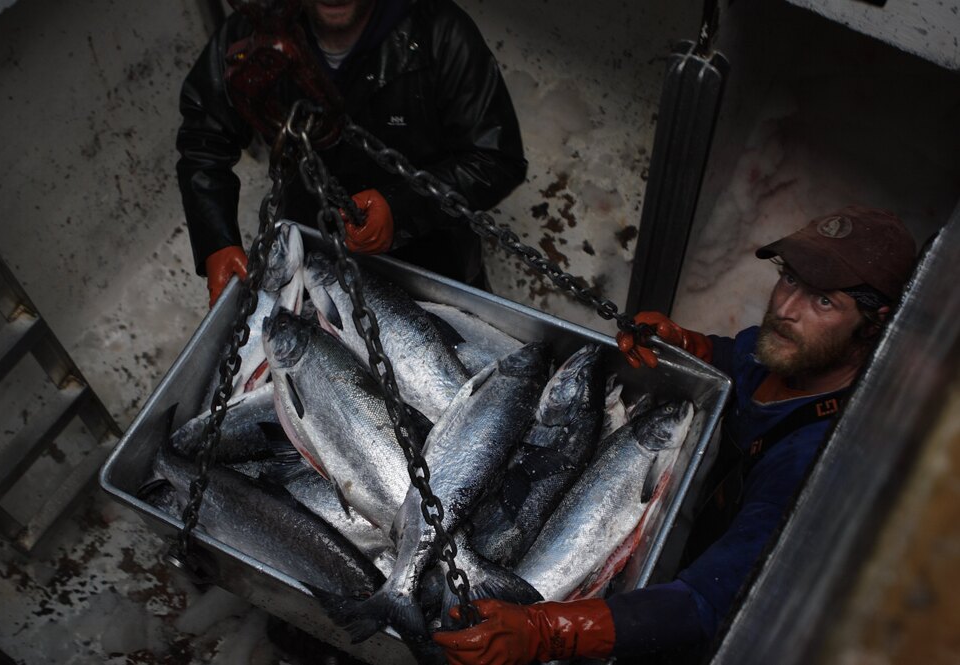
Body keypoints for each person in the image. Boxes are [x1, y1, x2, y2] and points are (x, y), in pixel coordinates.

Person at [431, 205, 917, 665]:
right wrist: (688, 346)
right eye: (789, 278)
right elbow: (740, 360)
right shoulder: (794, 350)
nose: (786, 308)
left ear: (875, 325)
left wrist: (545, 630)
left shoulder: (813, 464)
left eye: (825, 300)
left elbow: (704, 603)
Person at [176, 0, 528, 308]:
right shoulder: (251, 35)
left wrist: (402, 208)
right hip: (312, 241)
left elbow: (495, 158)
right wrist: (215, 241)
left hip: (433, 248)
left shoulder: (440, 33)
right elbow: (204, 138)